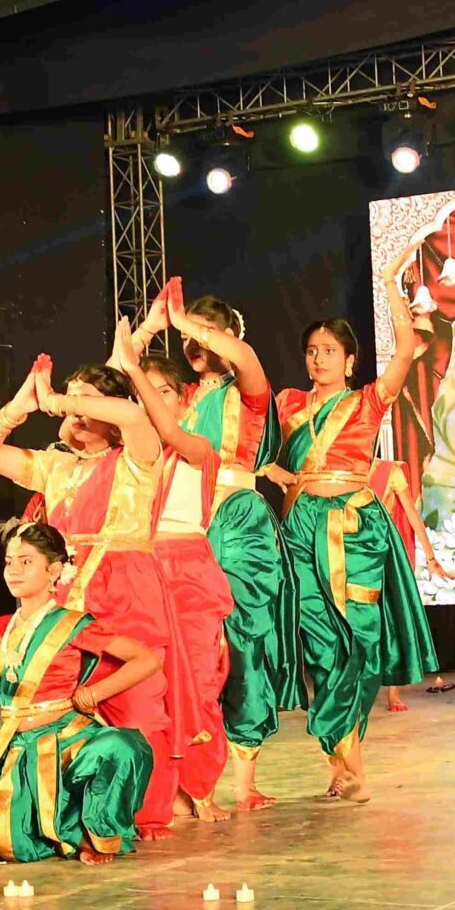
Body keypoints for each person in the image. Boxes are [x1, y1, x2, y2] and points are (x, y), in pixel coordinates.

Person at [0, 356, 206, 833]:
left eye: (87, 401)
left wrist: (59, 399)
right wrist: (22, 404)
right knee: (70, 709)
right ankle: (80, 814)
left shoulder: (138, 456)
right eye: (70, 400)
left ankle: (145, 812)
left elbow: (133, 413)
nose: (74, 411)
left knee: (136, 706)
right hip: (68, 599)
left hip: (127, 594)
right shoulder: (56, 466)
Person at [266, 284, 437, 802]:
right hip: (301, 527)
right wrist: (271, 471)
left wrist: (392, 286)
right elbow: (255, 449)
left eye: (329, 351)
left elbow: (405, 352)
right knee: (320, 645)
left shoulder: (368, 400)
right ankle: (348, 766)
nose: (318, 359)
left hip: (356, 527)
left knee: (360, 644)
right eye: (311, 351)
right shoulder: (288, 404)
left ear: (350, 359)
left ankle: (345, 756)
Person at [129, 283, 291, 810]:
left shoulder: (247, 392)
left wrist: (186, 322)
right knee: (184, 651)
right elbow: (125, 378)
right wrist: (152, 326)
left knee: (242, 643)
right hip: (179, 528)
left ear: (228, 335)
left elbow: (246, 358)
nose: (193, 344)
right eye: (187, 337)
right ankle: (186, 778)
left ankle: (243, 780)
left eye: (206, 332)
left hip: (236, 520)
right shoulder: (182, 396)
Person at [0, 523, 156, 865]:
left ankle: (92, 834)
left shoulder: (75, 625)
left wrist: (93, 693)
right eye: (9, 561)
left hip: (70, 745)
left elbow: (146, 659)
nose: (13, 570)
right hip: (19, 754)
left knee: (124, 745)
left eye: (26, 561)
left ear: (54, 571)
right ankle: (59, 832)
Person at [116, 319, 236, 814]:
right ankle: (160, 792)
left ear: (185, 398)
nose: (153, 402)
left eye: (163, 391)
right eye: (144, 393)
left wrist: (134, 366)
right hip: (142, 573)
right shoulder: (130, 456)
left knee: (199, 682)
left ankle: (200, 786)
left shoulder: (197, 448)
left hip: (188, 572)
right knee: (152, 687)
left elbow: (167, 429)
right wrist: (140, 335)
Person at [373, 452, 455, 708]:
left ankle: (393, 692)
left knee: (392, 617)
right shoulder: (344, 470)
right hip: (353, 550)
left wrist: (431, 558)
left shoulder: (390, 471)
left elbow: (411, 515)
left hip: (384, 551)